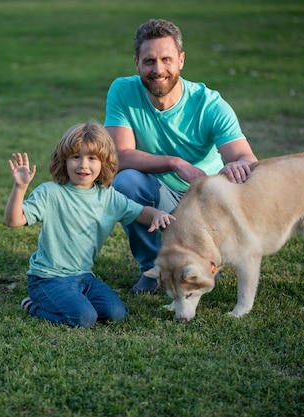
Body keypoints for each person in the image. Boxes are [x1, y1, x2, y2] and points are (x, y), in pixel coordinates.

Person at [104, 18, 258, 295]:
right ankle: (152, 269)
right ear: (136, 62)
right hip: (160, 192)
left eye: (166, 59)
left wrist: (237, 165)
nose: (158, 69)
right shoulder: (123, 91)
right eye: (149, 61)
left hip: (204, 201)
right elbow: (118, 156)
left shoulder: (209, 104)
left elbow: (247, 159)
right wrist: (175, 163)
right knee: (125, 183)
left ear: (181, 60)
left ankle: (207, 261)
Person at [4, 121, 176, 328]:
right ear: (64, 160)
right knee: (84, 318)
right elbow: (13, 221)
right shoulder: (50, 193)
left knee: (116, 314)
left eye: (92, 158)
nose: (83, 165)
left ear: (104, 163)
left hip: (84, 277)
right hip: (48, 279)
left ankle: (77, 300)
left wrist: (157, 214)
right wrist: (20, 187)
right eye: (76, 157)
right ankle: (33, 305)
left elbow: (139, 212)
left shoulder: (108, 196)